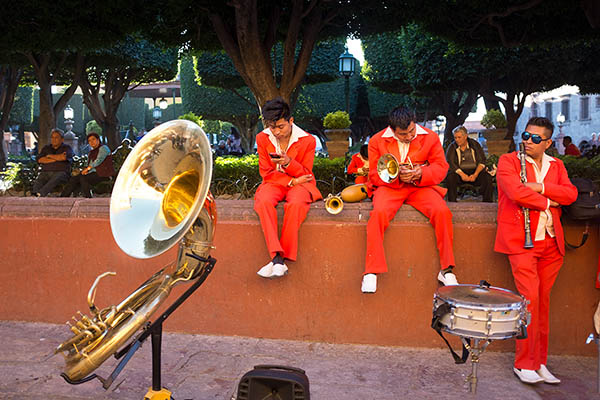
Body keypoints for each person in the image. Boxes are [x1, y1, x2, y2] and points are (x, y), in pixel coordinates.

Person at [495, 117, 577, 385]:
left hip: (551, 242)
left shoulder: (558, 165)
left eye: (536, 139)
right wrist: (550, 201)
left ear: (548, 143)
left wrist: (540, 187)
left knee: (543, 303)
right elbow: (515, 192)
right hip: (521, 241)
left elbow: (572, 195)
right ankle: (524, 363)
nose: (528, 141)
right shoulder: (508, 161)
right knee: (529, 301)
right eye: (526, 136)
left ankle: (540, 361)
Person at [361, 107, 458, 293]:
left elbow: (441, 167)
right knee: (378, 214)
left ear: (415, 123)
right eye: (403, 134)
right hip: (390, 188)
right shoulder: (375, 141)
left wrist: (420, 172)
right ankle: (371, 271)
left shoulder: (430, 137)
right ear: (392, 129)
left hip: (420, 187)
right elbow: (373, 174)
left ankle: (447, 269)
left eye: (412, 131)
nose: (409, 136)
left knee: (442, 212)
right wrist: (397, 177)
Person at [254, 97, 322, 278]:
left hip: (302, 184)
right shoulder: (262, 138)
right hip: (276, 182)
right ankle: (276, 257)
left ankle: (279, 260)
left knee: (297, 204)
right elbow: (266, 173)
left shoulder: (308, 140)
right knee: (263, 202)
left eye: (281, 127)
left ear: (291, 121)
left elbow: (306, 172)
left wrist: (288, 163)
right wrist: (291, 181)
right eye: (272, 127)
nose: (276, 132)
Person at [445, 126, 493, 202]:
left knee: (487, 177)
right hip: (459, 173)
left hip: (475, 172)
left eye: (459, 137)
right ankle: (452, 202)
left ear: (465, 136)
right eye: (455, 138)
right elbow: (450, 163)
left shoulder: (475, 144)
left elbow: (482, 161)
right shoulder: (452, 147)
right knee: (450, 177)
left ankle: (487, 202)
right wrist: (462, 175)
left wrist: (475, 174)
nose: (457, 140)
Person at [61, 132, 115, 198]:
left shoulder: (103, 148)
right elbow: (88, 165)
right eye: (89, 141)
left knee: (83, 178)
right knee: (75, 178)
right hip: (93, 173)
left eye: (93, 139)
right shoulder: (91, 152)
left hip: (104, 173)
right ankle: (63, 197)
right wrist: (83, 170)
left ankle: (88, 198)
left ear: (98, 140)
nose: (91, 142)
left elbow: (98, 160)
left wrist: (87, 169)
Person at [32, 128, 74, 197]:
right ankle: (35, 194)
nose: (54, 139)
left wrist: (49, 156)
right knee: (40, 178)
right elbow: (40, 159)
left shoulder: (67, 148)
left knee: (57, 177)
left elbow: (63, 158)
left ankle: (40, 194)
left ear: (62, 139)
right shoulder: (46, 148)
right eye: (52, 137)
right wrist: (57, 158)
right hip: (46, 172)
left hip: (61, 172)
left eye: (56, 137)